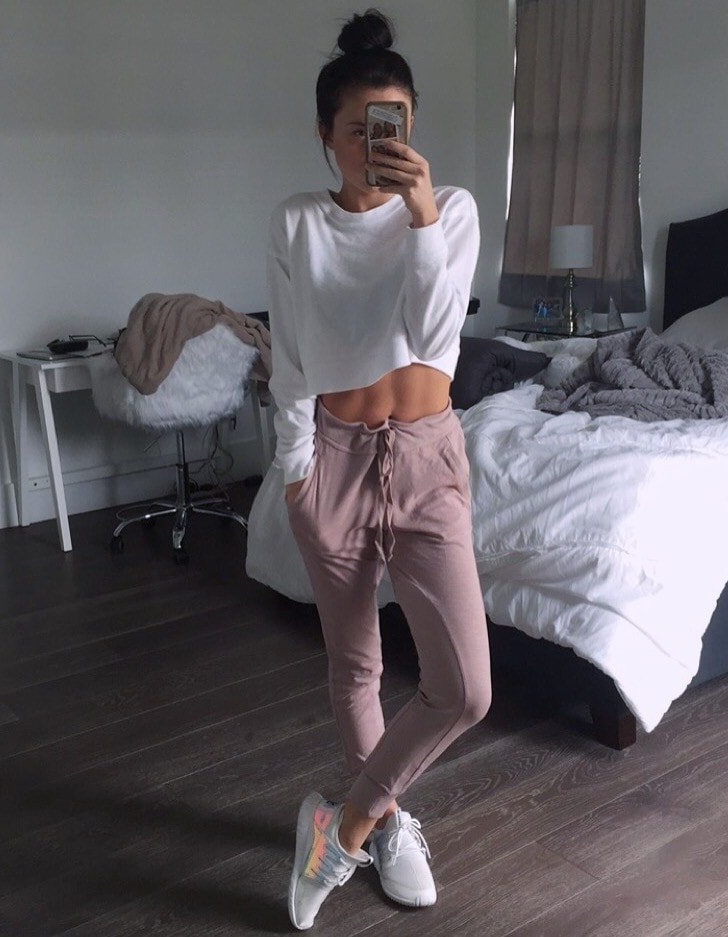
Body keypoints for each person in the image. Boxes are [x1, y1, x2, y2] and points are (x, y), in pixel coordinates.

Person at [267, 8, 492, 930]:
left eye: (391, 125)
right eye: (357, 129)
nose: (375, 145)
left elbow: (435, 334)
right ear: (324, 134)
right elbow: (289, 359)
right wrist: (296, 474)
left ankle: (347, 823)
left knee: (466, 687)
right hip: (334, 458)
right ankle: (391, 826)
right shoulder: (297, 222)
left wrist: (422, 213)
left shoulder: (452, 210)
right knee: (355, 665)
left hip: (427, 455)